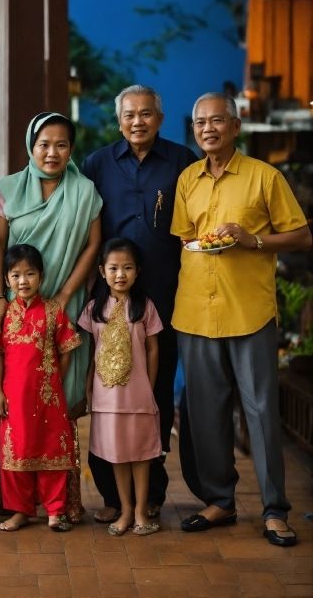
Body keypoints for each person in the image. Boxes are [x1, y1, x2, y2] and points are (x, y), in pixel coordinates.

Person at [171, 92, 312, 546]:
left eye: (217, 121)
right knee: (205, 413)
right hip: (195, 310)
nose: (207, 129)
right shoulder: (187, 179)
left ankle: (275, 510)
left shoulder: (264, 177)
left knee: (261, 412)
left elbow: (302, 236)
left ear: (235, 127)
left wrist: (253, 241)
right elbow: (186, 239)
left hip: (248, 311)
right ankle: (220, 501)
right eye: (199, 123)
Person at [81, 84, 198, 521]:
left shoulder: (182, 162)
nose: (137, 121)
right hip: (109, 301)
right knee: (107, 392)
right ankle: (113, 497)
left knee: (155, 392)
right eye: (129, 114)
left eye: (146, 114)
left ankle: (153, 492)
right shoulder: (98, 163)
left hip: (164, 296)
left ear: (160, 119)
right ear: (119, 120)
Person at [0, 112, 102, 522]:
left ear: (72, 149)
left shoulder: (85, 191)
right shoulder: (8, 189)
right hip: (17, 306)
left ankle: (59, 502)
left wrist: (65, 295)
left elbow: (93, 245)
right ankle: (23, 504)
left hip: (62, 308)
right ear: (30, 146)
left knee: (60, 405)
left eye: (61, 145)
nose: (52, 153)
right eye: (44, 144)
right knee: (19, 412)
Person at [0, 244, 82, 531]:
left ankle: (55, 511)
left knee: (51, 451)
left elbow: (67, 348)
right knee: (16, 454)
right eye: (15, 275)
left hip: (49, 398)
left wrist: (53, 380)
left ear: (41, 276)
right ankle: (20, 511)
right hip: (13, 397)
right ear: (5, 279)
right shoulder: (2, 315)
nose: (23, 281)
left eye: (30, 274)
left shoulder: (53, 312)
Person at [80, 238, 163, 536]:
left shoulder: (145, 306)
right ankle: (126, 510)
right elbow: (91, 351)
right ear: (102, 271)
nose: (120, 274)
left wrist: (149, 385)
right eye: (114, 268)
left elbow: (153, 349)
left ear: (137, 271)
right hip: (107, 397)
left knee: (140, 453)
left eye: (127, 268)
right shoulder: (94, 309)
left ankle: (142, 510)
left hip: (138, 395)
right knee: (117, 454)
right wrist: (89, 388)